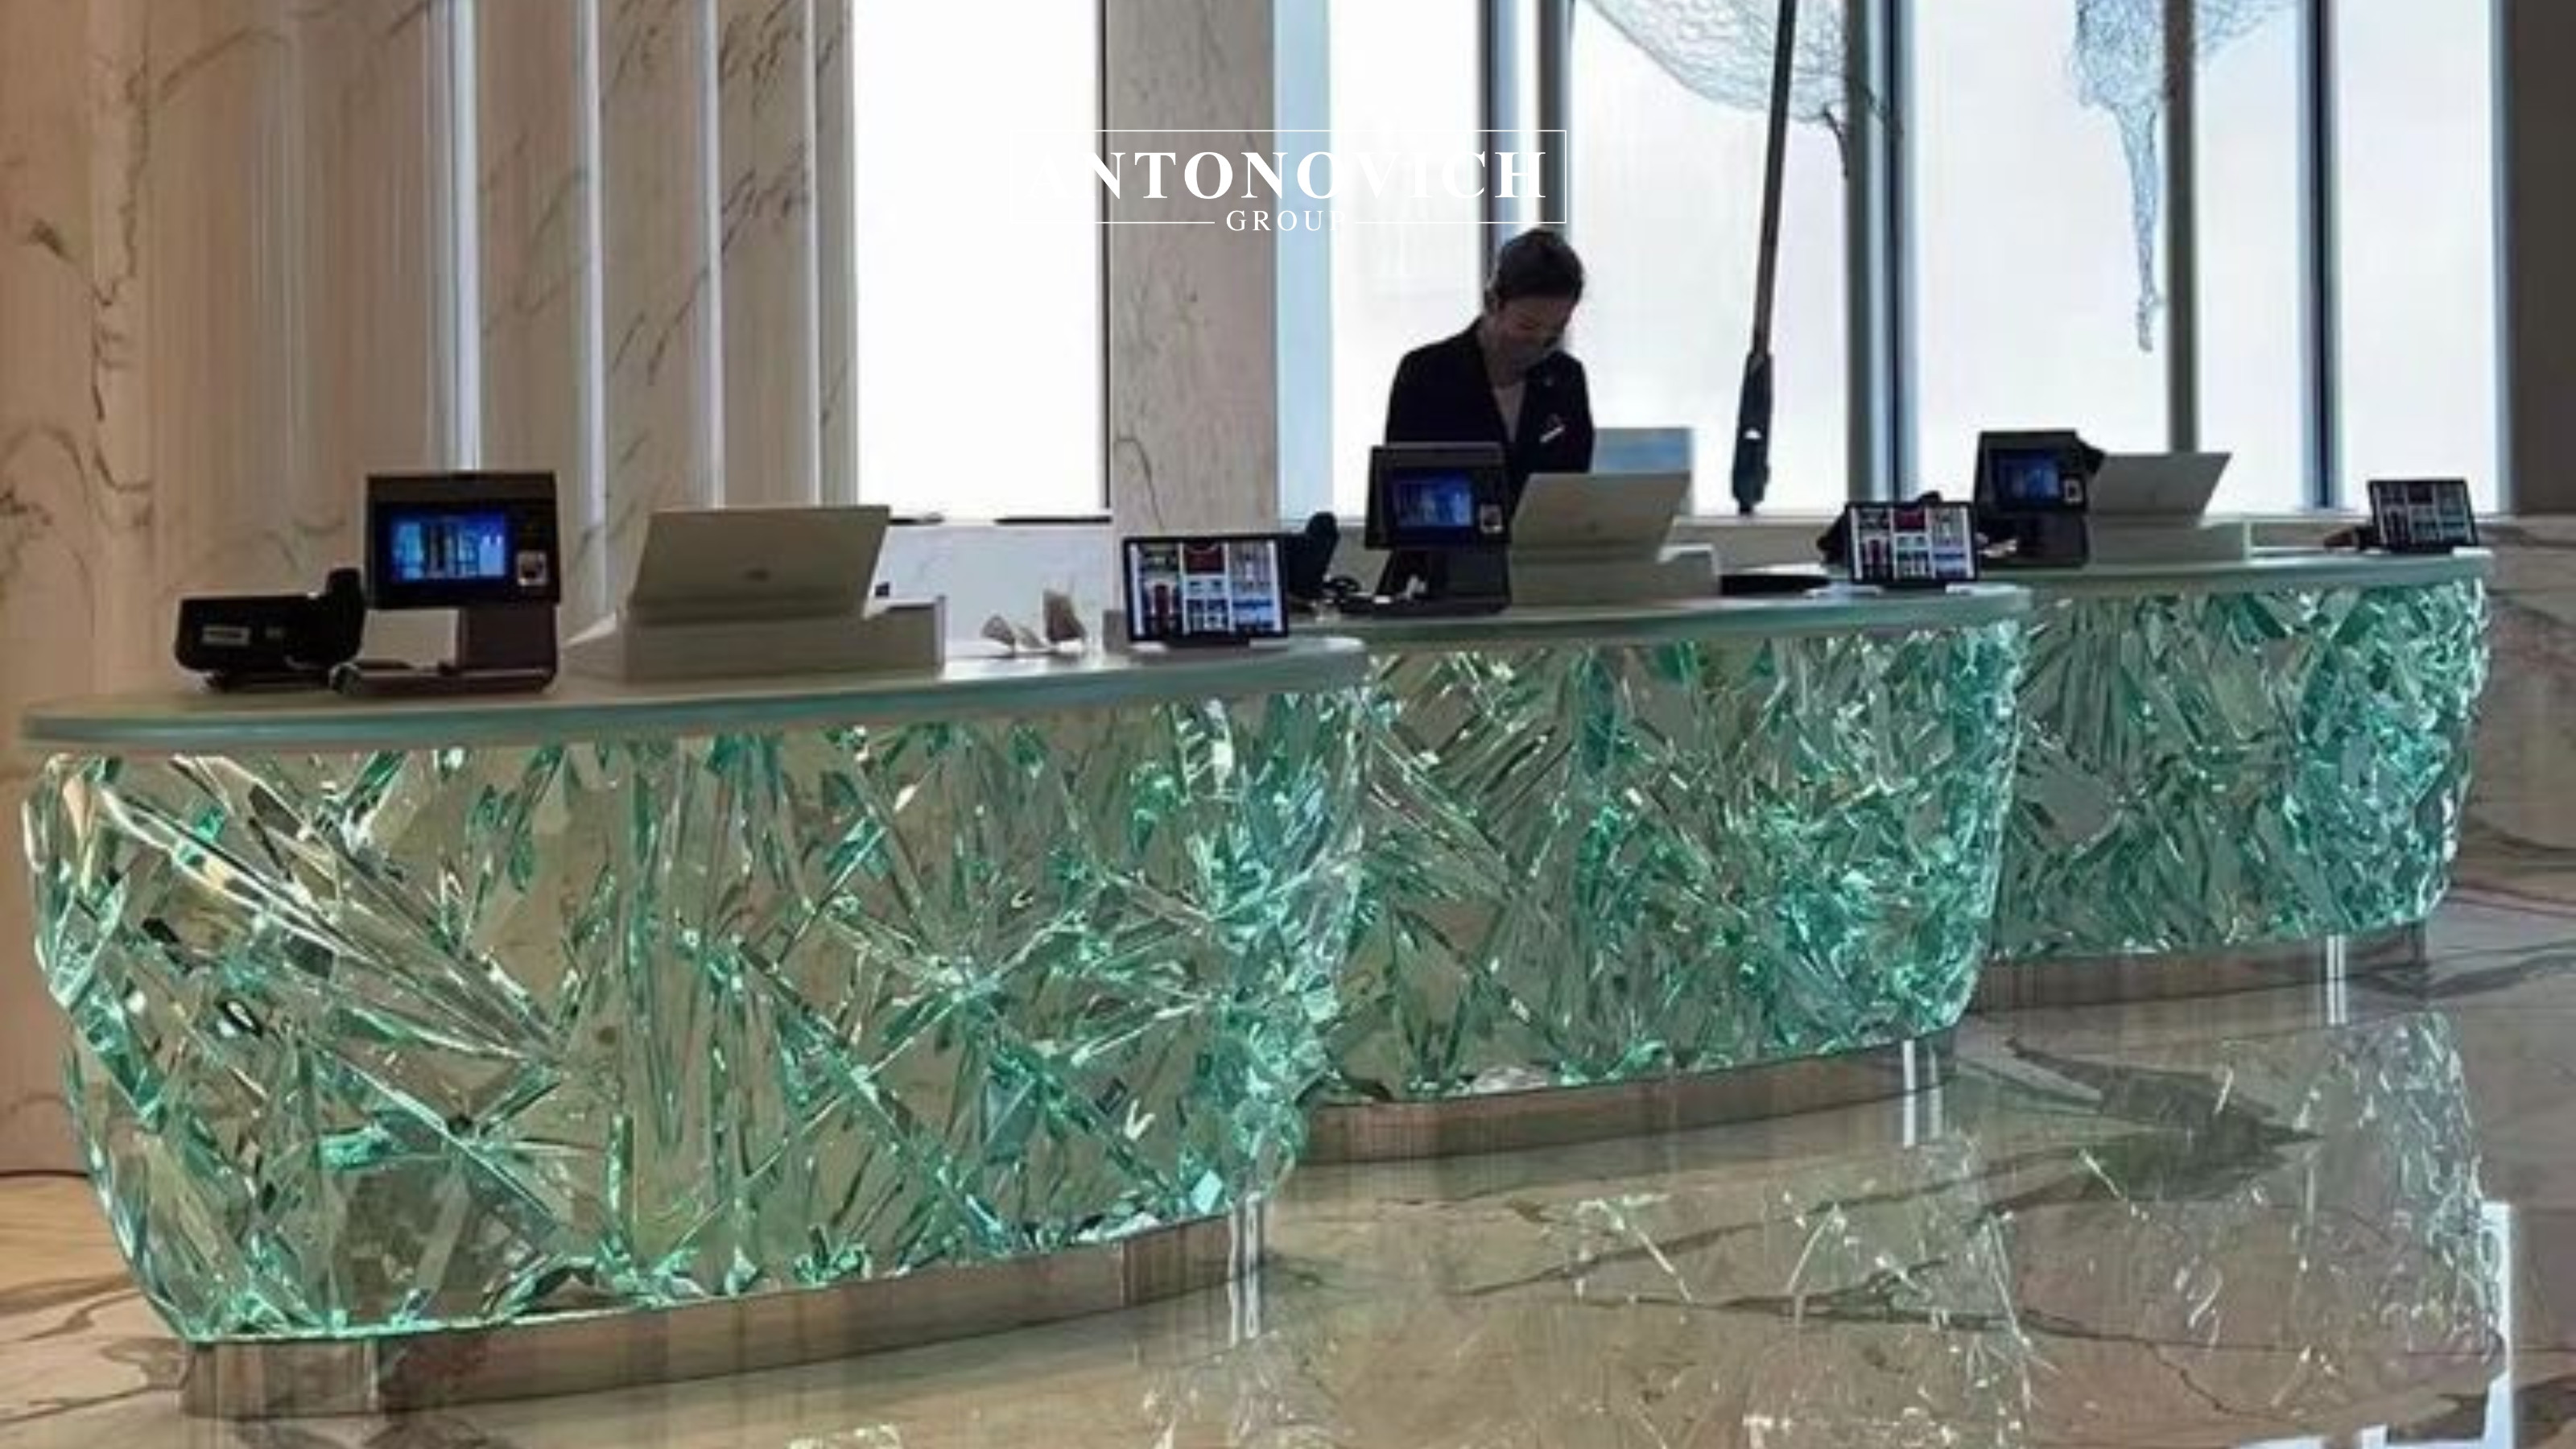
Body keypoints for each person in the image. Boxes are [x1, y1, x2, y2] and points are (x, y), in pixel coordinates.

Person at [1384, 228, 1596, 501]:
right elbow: (1403, 493)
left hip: (1543, 530)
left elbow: (1573, 486)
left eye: (1557, 328)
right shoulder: (1427, 374)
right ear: (1493, 303)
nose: (1541, 341)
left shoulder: (1566, 377)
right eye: (1527, 326)